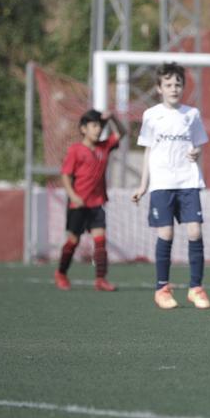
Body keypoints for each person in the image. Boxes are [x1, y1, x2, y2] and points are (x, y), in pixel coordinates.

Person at [132, 63, 210, 310]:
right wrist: (143, 185)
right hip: (162, 184)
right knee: (165, 234)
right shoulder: (151, 115)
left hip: (188, 181)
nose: (174, 88)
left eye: (178, 84)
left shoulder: (192, 114)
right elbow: (147, 150)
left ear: (183, 87)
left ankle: (196, 288)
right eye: (168, 84)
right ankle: (162, 289)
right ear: (159, 88)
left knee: (195, 232)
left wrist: (195, 153)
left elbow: (198, 144)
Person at [55, 108, 126, 292]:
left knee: (100, 241)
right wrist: (73, 196)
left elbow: (122, 133)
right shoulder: (75, 150)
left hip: (97, 204)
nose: (97, 130)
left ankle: (100, 279)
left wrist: (112, 119)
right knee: (73, 241)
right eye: (94, 126)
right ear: (83, 129)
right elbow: (65, 175)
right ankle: (61, 273)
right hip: (78, 204)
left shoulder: (104, 147)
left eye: (100, 126)